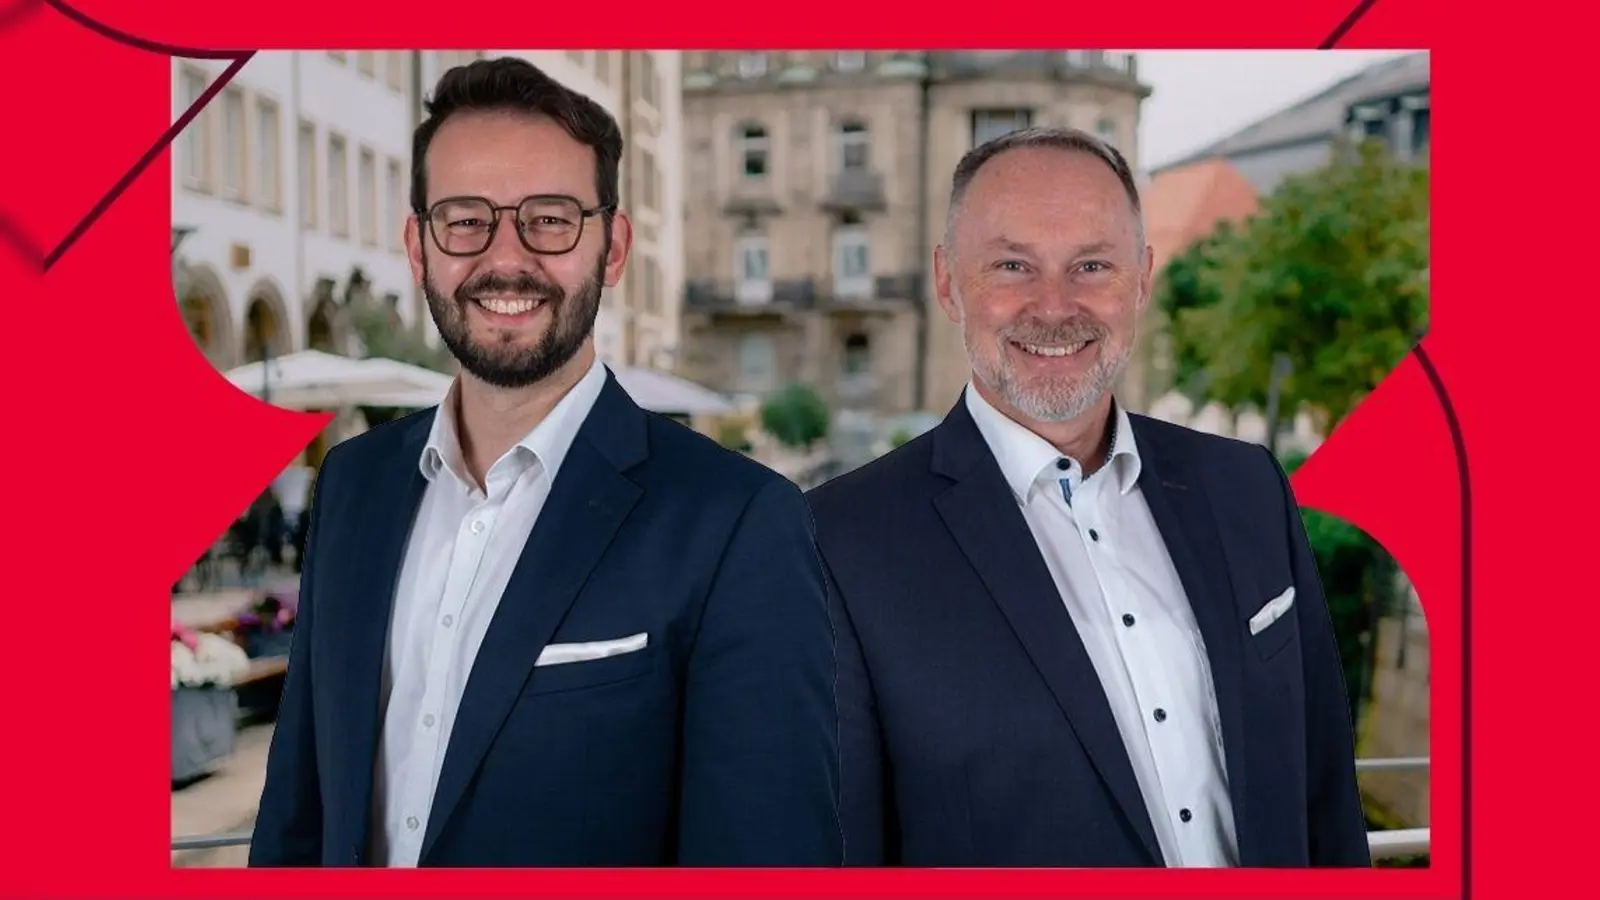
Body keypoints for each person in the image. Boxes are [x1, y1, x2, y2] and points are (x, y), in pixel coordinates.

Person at [249, 57, 840, 868]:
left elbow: (765, 857)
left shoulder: (737, 520)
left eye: (551, 219)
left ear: (615, 247)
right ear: (418, 247)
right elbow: (298, 809)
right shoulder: (352, 484)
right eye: (464, 220)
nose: (506, 258)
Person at [807, 126, 1370, 868]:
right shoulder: (835, 543)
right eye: (1012, 265)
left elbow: (1323, 786)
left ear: (1141, 279)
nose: (1054, 305)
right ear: (948, 282)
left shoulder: (1248, 486)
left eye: (1092, 265)